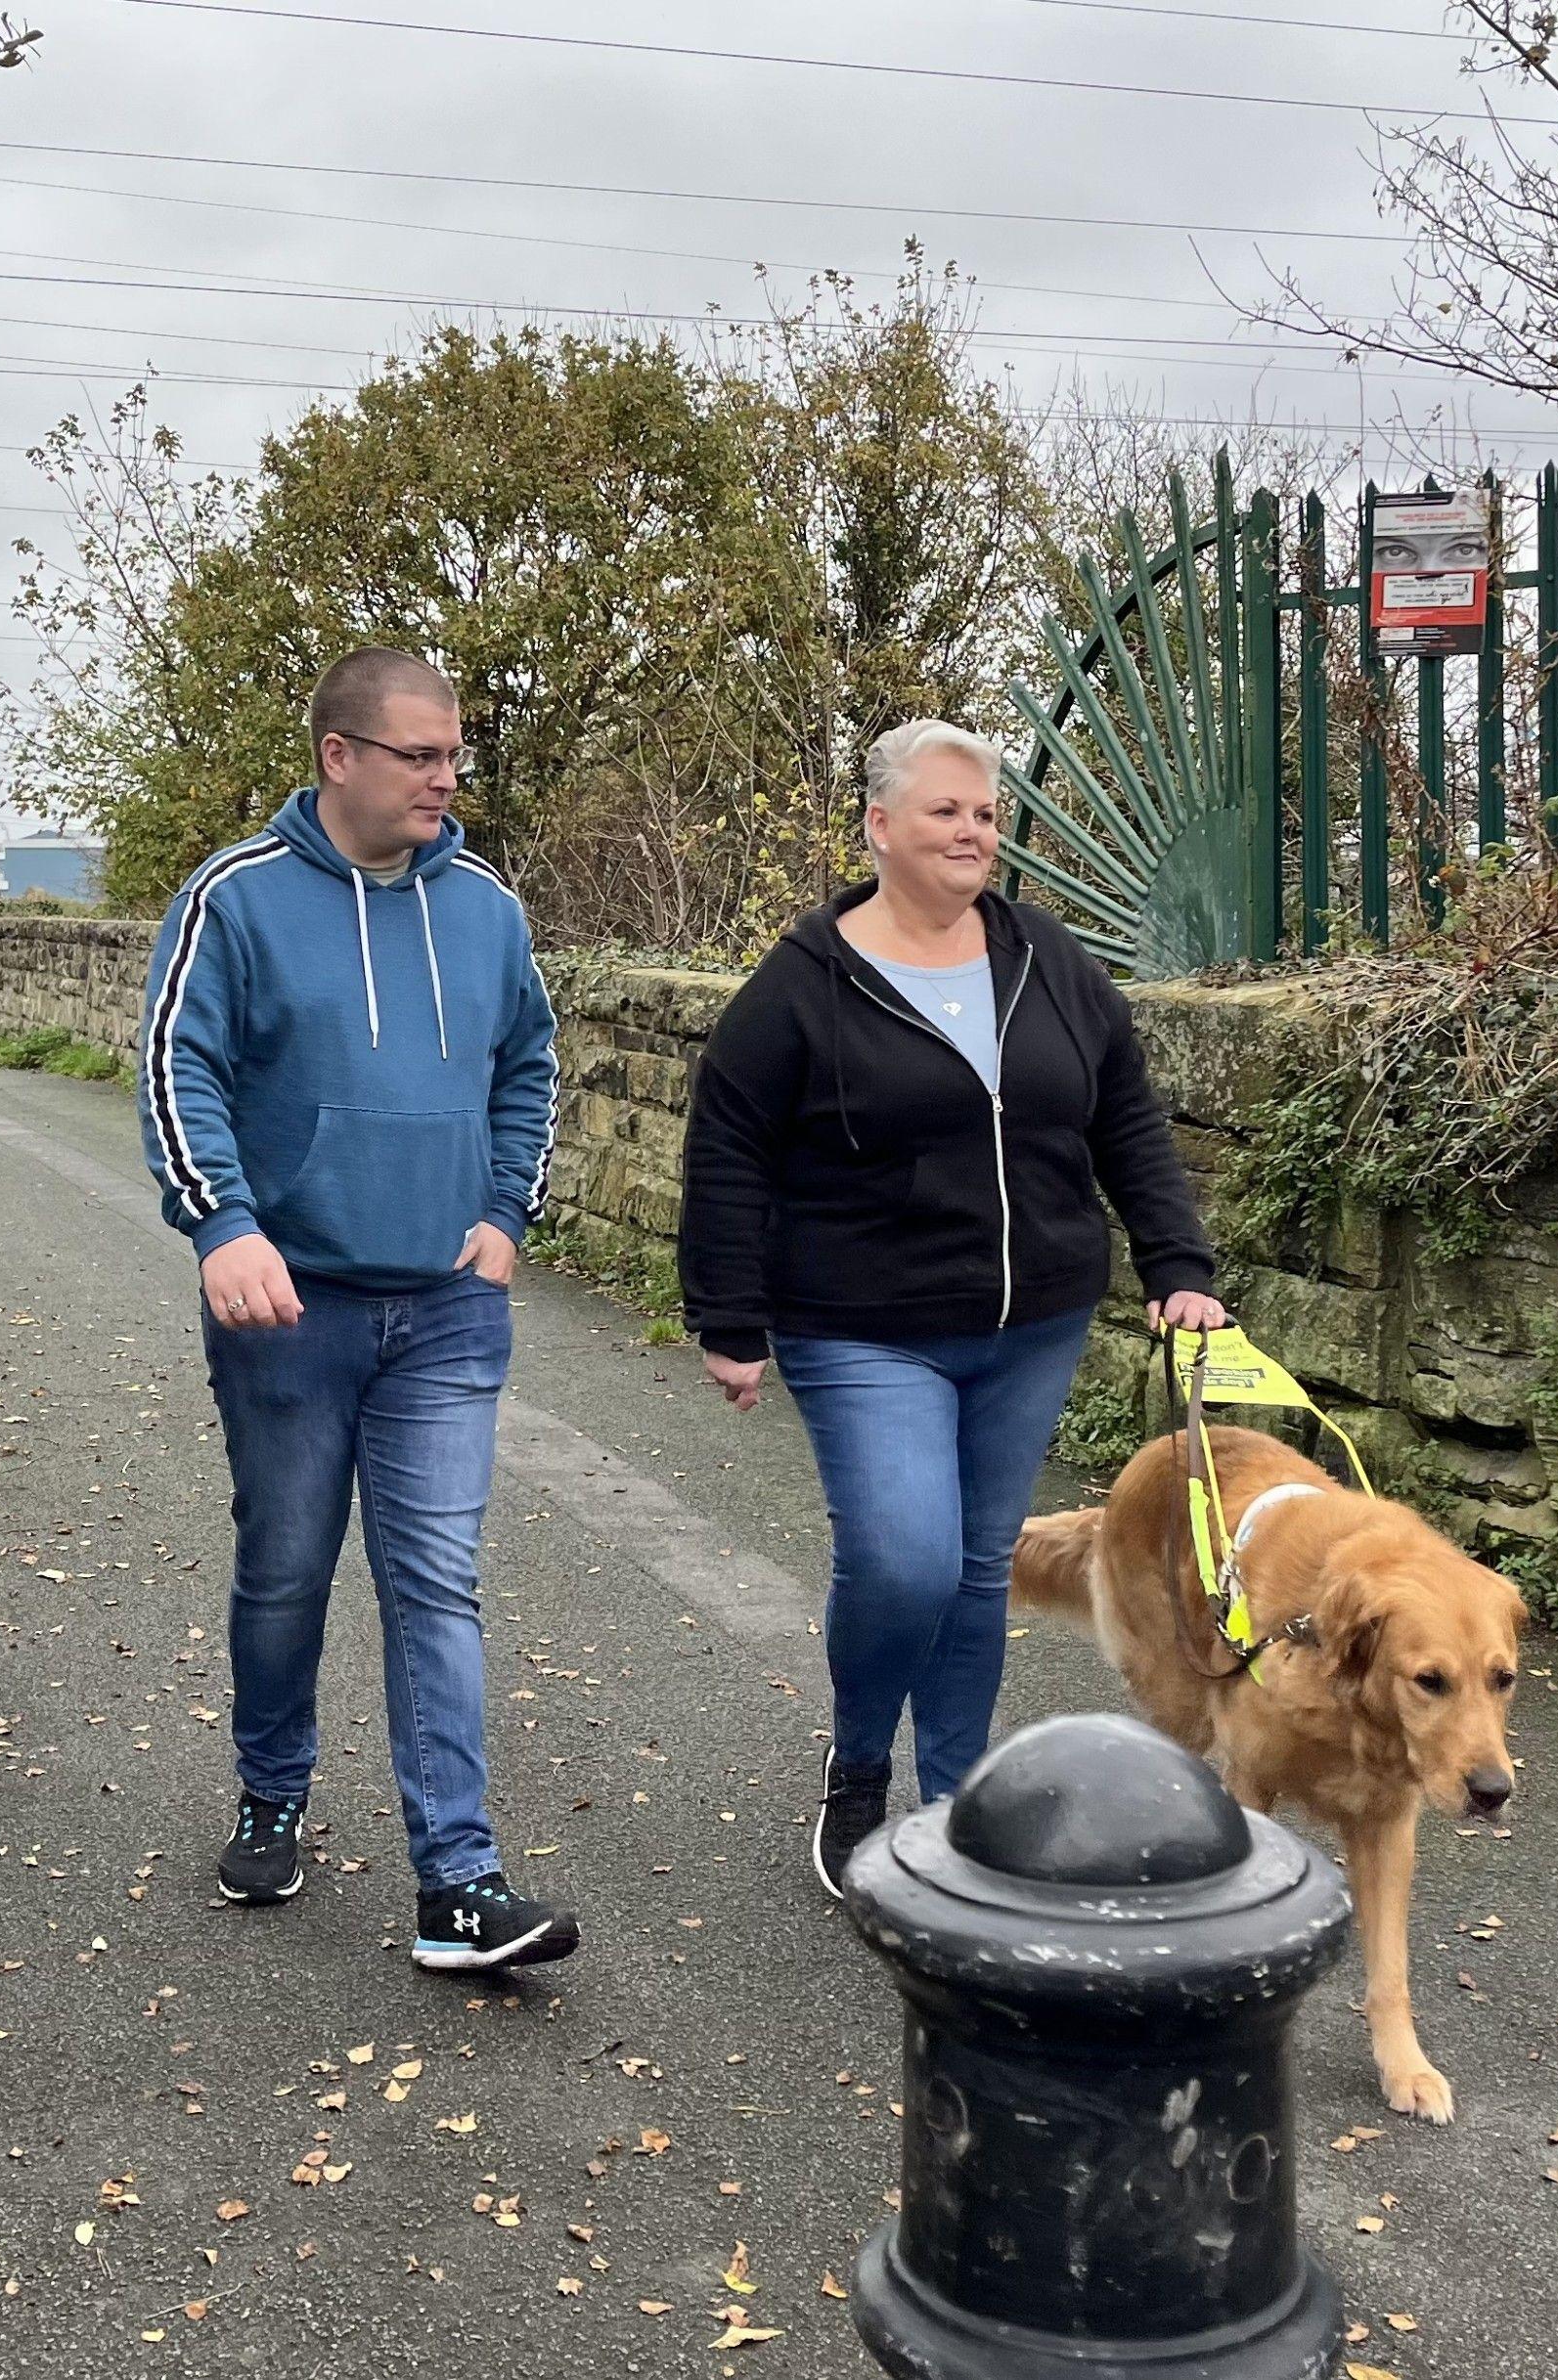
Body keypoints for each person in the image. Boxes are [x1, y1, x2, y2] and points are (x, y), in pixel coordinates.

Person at [678, 719, 1224, 1897]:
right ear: (880, 826)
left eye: (985, 814)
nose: (974, 832)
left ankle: (957, 1802)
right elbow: (728, 1141)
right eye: (946, 812)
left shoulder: (1045, 959)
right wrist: (728, 1315)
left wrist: (1179, 1261)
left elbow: (1123, 1115)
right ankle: (860, 1768)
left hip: (1033, 1323)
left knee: (979, 1566)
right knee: (905, 1560)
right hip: (860, 1322)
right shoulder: (805, 981)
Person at [138, 646, 578, 1971]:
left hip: (447, 1307)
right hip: (291, 1308)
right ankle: (272, 1788)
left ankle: (459, 1877)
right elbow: (176, 1061)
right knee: (284, 1569)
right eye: (421, 755)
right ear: (340, 756)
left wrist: (509, 1215)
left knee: (436, 1580)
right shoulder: (238, 896)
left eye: (454, 754)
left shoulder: (488, 907)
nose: (448, 777)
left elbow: (531, 1063)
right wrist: (222, 1220)